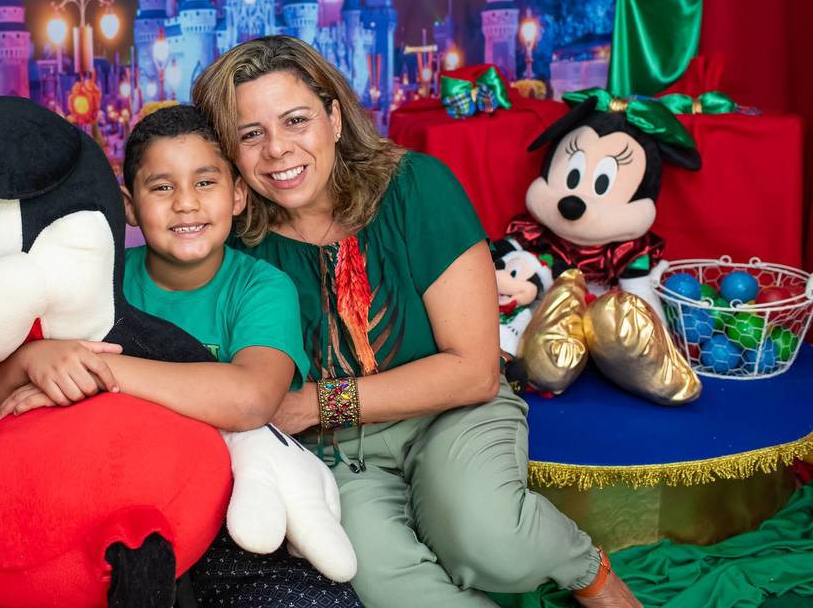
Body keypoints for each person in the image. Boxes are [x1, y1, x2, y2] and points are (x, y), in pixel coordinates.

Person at [191, 35, 642, 608]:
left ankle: (589, 572)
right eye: (250, 134)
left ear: (334, 118)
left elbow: (474, 372)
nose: (277, 149)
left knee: (490, 541)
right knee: (379, 582)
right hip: (338, 454)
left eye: (296, 120)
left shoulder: (416, 187)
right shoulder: (233, 243)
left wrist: (317, 403)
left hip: (450, 413)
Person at [0, 104, 363, 608]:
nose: (185, 204)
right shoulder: (93, 282)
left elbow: (250, 400)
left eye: (205, 182)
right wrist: (34, 360)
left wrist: (99, 370)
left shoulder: (260, 287)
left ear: (237, 194)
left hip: (231, 508)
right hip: (102, 509)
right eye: (161, 187)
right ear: (129, 206)